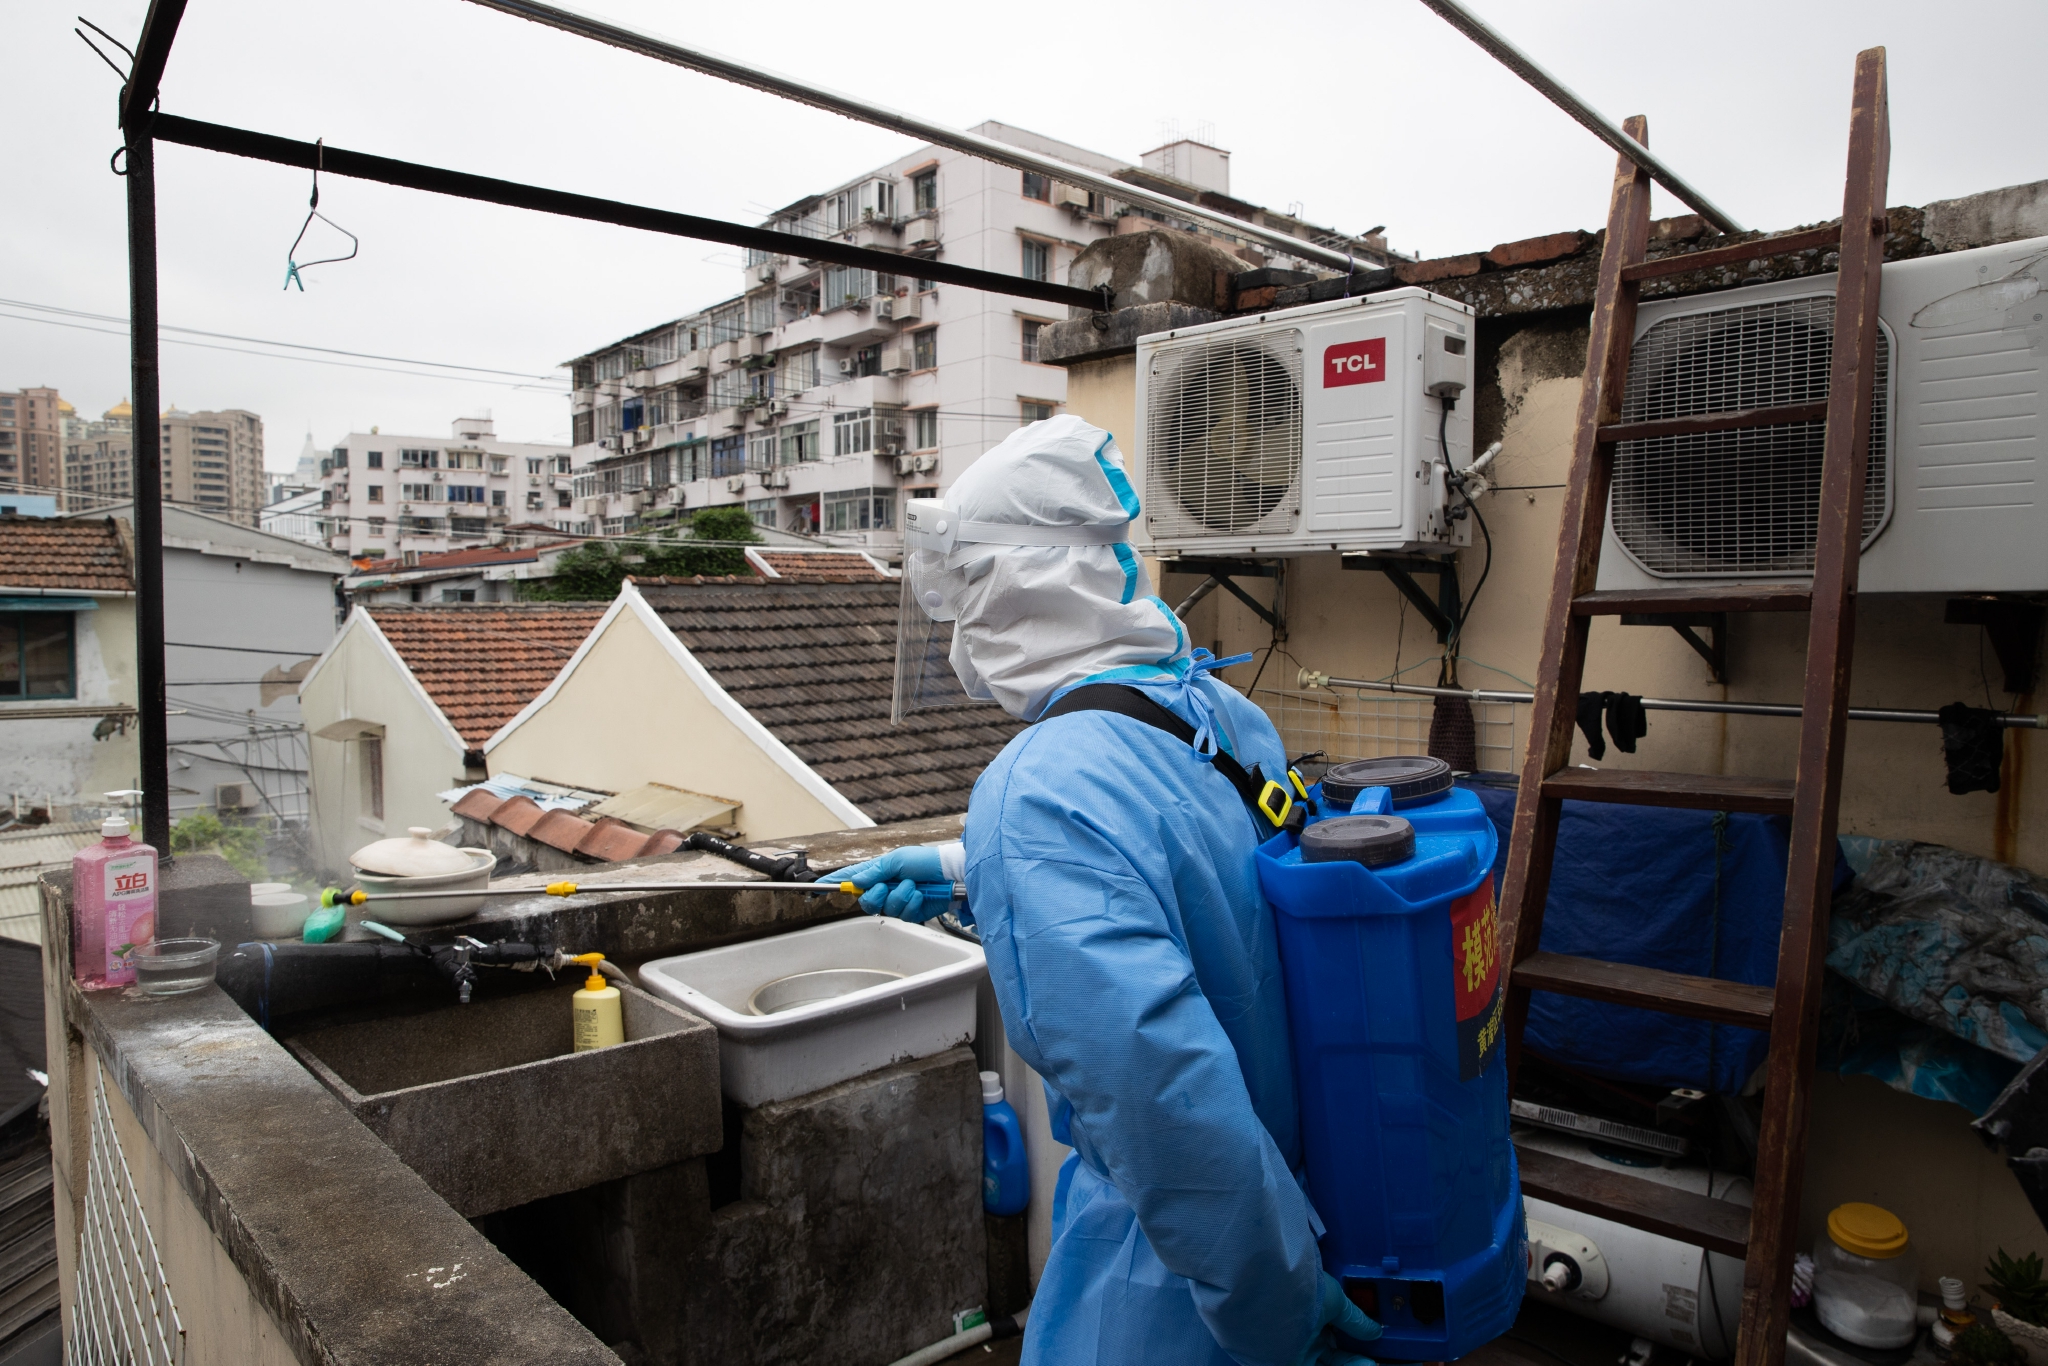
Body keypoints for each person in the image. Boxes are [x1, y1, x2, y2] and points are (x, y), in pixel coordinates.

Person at [829, 415, 1380, 1366]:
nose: (961, 632)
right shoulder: (1221, 715)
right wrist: (974, 874)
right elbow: (1197, 888)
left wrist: (1277, 1314)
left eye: (966, 597)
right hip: (1306, 1200)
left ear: (1020, 588)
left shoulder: (1034, 793)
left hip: (1184, 1285)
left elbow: (1167, 1100)